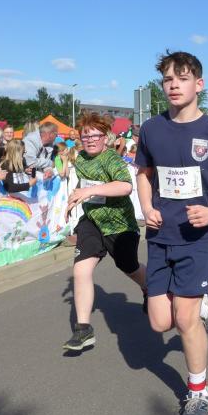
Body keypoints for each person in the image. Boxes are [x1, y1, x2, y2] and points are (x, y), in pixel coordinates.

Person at [136, 50, 208, 415]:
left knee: (184, 319)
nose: (173, 85)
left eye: (181, 79)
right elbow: (144, 173)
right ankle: (205, 301)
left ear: (199, 85)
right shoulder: (151, 129)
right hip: (160, 234)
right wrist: (146, 206)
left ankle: (199, 391)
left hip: (200, 236)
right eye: (168, 79)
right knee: (159, 322)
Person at [62, 111, 149, 351]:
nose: (90, 140)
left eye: (95, 136)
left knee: (128, 266)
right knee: (81, 269)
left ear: (105, 137)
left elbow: (125, 186)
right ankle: (83, 329)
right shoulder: (81, 158)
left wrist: (90, 191)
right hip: (92, 221)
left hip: (119, 225)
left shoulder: (111, 159)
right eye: (85, 136)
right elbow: (83, 185)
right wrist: (73, 200)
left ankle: (149, 287)